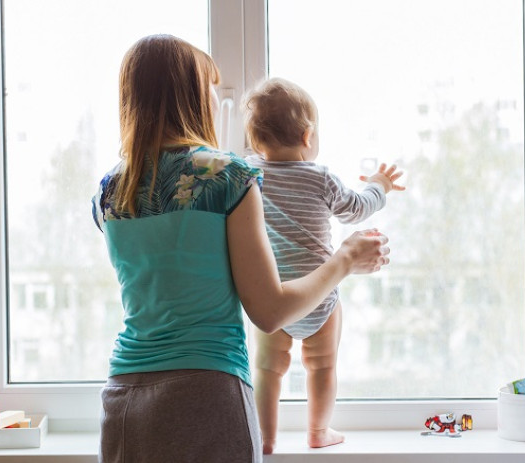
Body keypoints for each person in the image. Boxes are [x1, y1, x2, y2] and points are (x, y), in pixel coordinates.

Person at [91, 35, 390, 463]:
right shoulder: (226, 176)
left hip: (123, 398)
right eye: (211, 87)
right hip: (208, 394)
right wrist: (345, 258)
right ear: (192, 96)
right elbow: (269, 312)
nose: (217, 98)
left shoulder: (107, 192)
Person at [242, 77, 405, 454]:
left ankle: (265, 440)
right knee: (322, 367)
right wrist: (379, 185)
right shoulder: (320, 179)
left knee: (267, 370)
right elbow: (357, 209)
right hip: (319, 297)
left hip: (273, 296)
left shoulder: (251, 176)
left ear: (255, 141)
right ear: (307, 136)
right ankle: (318, 431)